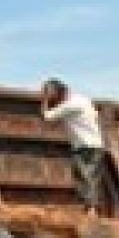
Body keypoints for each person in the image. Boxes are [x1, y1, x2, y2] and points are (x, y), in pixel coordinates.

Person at [41, 78, 105, 217]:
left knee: (83, 176)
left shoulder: (70, 105)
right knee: (91, 177)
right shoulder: (83, 99)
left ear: (59, 93)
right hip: (96, 143)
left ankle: (90, 211)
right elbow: (95, 115)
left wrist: (45, 100)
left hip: (84, 145)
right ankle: (91, 210)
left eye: (50, 93)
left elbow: (47, 117)